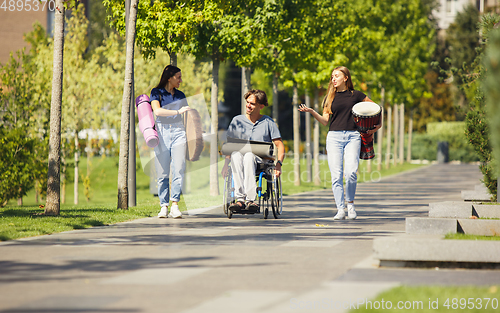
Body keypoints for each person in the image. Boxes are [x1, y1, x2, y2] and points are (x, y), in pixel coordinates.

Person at [298, 66, 380, 220]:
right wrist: (311, 111)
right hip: (334, 137)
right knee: (336, 175)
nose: (333, 79)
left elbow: (375, 108)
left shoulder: (356, 95)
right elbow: (324, 121)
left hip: (353, 136)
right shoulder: (329, 97)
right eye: (332, 76)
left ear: (346, 78)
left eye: (336, 76)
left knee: (350, 173)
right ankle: (340, 209)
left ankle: (351, 205)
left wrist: (378, 125)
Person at [221, 89, 285, 212]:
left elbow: (280, 145)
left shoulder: (268, 122)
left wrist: (279, 164)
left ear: (261, 106)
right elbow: (230, 145)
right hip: (240, 158)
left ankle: (251, 200)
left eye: (252, 103)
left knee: (249, 155)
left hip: (261, 160)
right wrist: (225, 164)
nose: (248, 105)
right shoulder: (237, 121)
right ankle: (240, 200)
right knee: (236, 154)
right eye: (247, 102)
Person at [150, 65, 192, 218]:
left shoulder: (180, 95)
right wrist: (177, 112)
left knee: (179, 168)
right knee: (162, 172)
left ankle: (175, 204)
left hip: (178, 131)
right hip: (162, 132)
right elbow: (157, 111)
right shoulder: (156, 92)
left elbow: (187, 117)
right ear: (169, 78)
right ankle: (164, 206)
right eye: (178, 77)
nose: (181, 80)